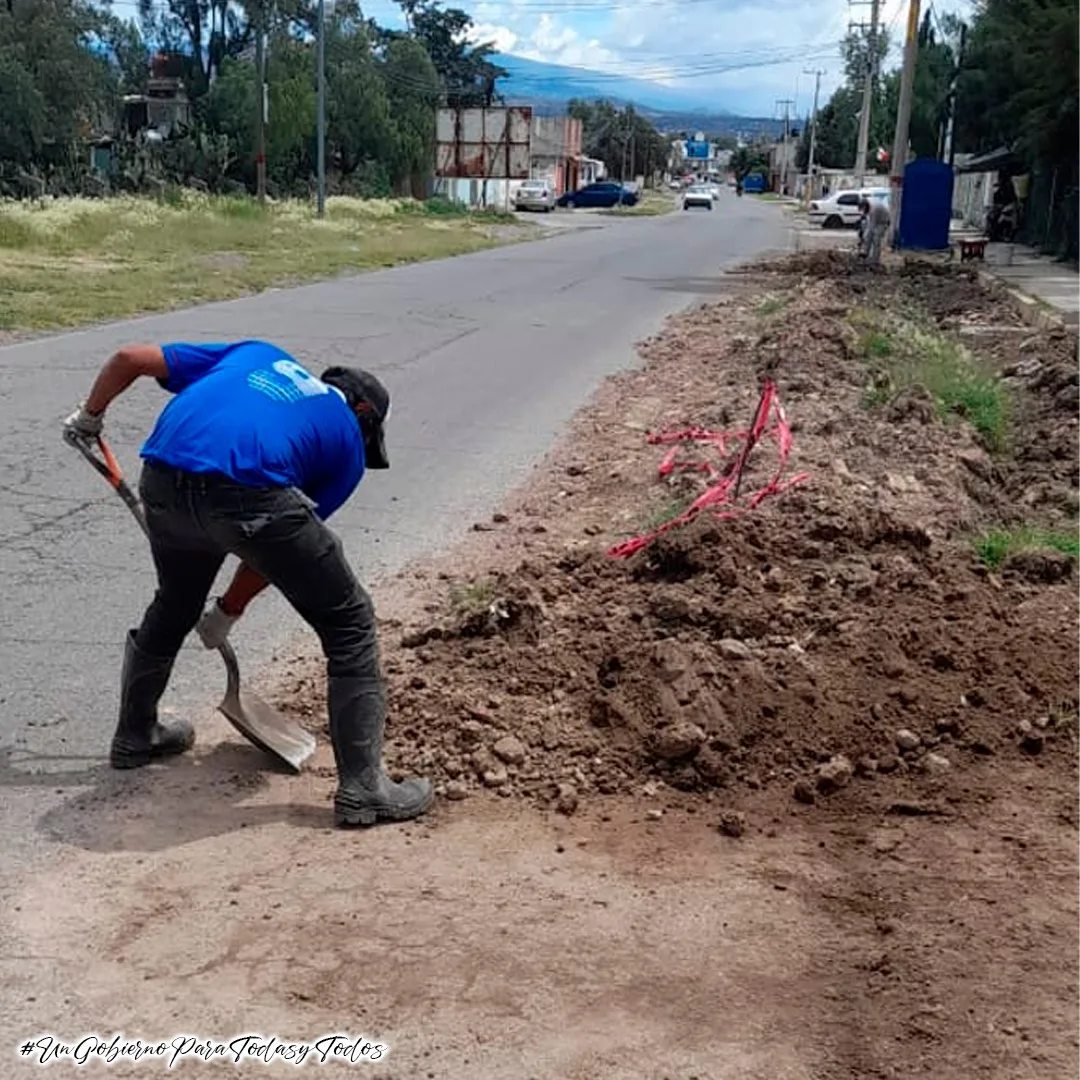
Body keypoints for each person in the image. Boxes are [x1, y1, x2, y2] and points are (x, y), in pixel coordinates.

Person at [62, 340, 433, 827]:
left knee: (175, 601)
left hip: (164, 480)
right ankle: (364, 789)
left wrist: (90, 416)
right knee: (349, 622)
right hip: (249, 497)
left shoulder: (257, 354)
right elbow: (277, 550)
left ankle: (136, 735)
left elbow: (130, 358)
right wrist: (229, 611)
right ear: (363, 414)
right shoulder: (345, 440)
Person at [857, 197, 891, 265]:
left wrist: (864, 237)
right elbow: (867, 222)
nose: (862, 210)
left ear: (865, 205)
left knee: (876, 239)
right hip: (876, 221)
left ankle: (875, 260)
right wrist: (862, 232)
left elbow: (871, 226)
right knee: (868, 237)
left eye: (862, 208)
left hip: (883, 222)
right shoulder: (869, 207)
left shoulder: (874, 210)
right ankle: (866, 254)